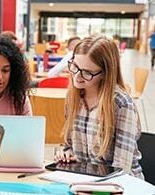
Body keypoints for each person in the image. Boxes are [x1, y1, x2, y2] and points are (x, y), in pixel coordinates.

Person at [54, 36, 143, 178]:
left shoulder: (121, 104)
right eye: (75, 67)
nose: (77, 76)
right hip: (83, 179)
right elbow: (69, 146)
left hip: (119, 185)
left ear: (105, 73)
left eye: (87, 72)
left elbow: (122, 169)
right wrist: (66, 154)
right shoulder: (74, 97)